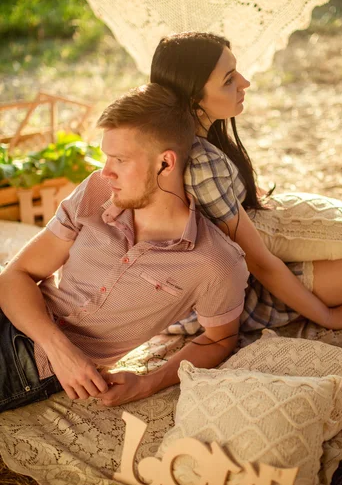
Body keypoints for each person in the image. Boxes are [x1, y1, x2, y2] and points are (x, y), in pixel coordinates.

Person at [0, 84, 249, 412]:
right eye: (106, 156)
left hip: (24, 365)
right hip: (21, 314)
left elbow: (219, 339)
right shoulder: (96, 189)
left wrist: (147, 382)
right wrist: (59, 347)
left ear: (165, 164)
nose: (106, 171)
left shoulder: (215, 262)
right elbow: (15, 275)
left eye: (119, 159)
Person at [150, 32, 342, 332]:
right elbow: (259, 263)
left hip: (273, 241)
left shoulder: (203, 135)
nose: (245, 83)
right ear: (194, 100)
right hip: (255, 290)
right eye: (229, 80)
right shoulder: (201, 165)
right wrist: (328, 316)